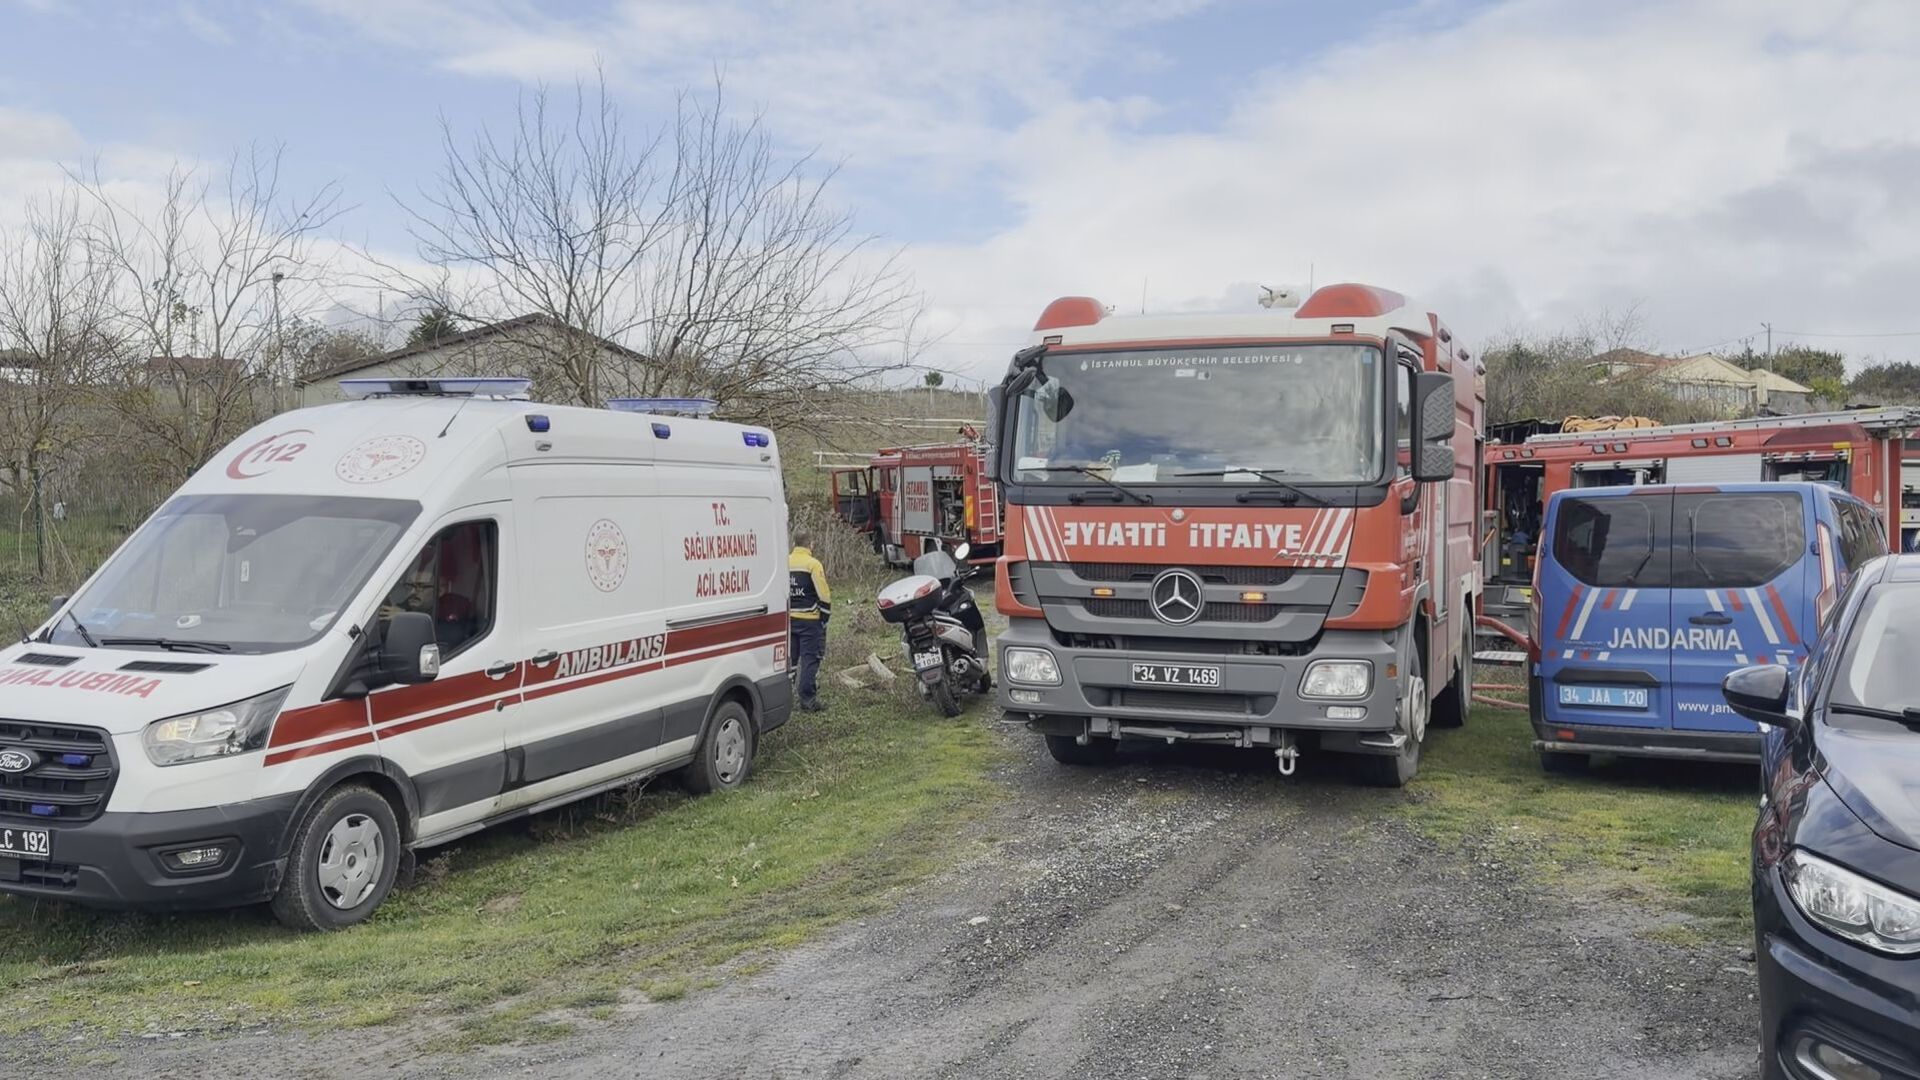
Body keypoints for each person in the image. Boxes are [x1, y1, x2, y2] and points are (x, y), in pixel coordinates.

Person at [788, 529, 832, 712]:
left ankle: (785, 700)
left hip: (789, 620)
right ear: (810, 544)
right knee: (809, 660)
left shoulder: (785, 562)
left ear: (794, 543)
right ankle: (808, 701)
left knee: (790, 662)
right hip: (810, 621)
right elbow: (824, 594)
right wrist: (824, 619)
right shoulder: (813, 564)